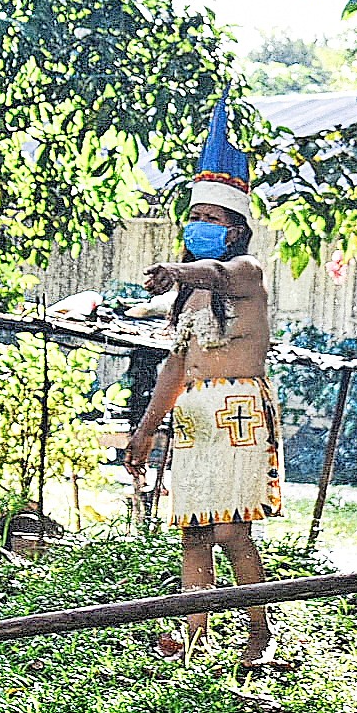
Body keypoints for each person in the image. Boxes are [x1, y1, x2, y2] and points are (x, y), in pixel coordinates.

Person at [124, 94, 283, 666]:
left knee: (231, 531)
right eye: (195, 217)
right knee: (194, 530)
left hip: (238, 412)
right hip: (194, 417)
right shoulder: (189, 296)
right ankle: (190, 636)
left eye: (213, 219)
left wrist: (176, 270)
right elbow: (174, 367)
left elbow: (213, 271)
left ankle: (259, 629)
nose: (200, 226)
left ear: (236, 231)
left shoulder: (244, 272)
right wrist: (146, 431)